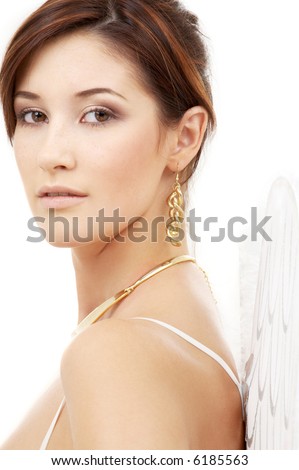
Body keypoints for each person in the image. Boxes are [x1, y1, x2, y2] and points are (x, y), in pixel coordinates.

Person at [0, 0, 245, 450]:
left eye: (98, 114)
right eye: (33, 115)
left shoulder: (116, 354)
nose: (51, 155)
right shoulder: (159, 315)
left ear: (184, 138)